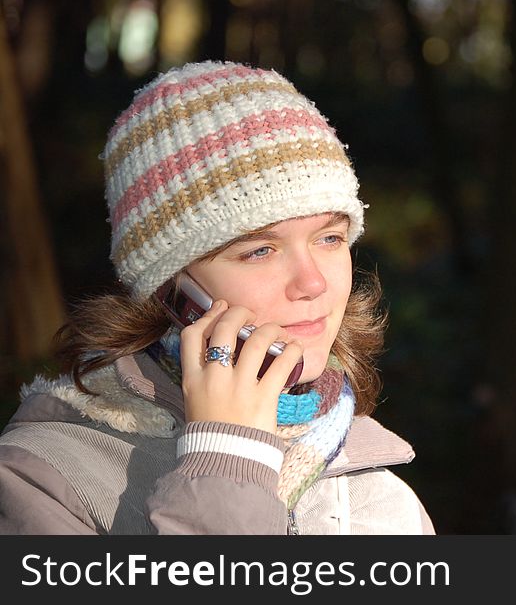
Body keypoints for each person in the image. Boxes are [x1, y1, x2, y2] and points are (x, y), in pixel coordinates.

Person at [0, 60, 434, 534]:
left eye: (328, 238)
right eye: (260, 250)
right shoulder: (44, 479)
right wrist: (226, 471)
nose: (313, 283)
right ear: (172, 290)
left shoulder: (381, 496)